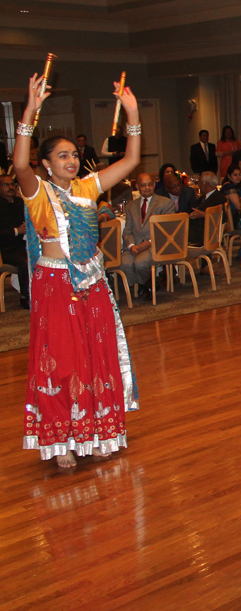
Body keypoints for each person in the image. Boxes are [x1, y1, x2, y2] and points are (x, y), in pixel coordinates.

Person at [13, 73, 141, 469]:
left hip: (93, 284)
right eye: (62, 156)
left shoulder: (87, 189)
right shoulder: (37, 192)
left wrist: (133, 113)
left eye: (73, 154)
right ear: (47, 165)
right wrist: (30, 113)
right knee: (63, 363)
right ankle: (59, 441)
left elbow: (132, 160)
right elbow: (19, 162)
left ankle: (100, 431)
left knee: (96, 357)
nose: (70, 161)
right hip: (56, 283)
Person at [120, 173, 174, 297]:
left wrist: (149, 243)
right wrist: (132, 245)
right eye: (143, 185)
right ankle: (147, 284)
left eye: (150, 184)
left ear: (154, 184)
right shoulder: (130, 206)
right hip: (135, 245)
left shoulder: (165, 203)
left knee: (140, 263)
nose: (147, 188)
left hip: (156, 244)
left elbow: (166, 230)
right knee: (125, 264)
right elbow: (127, 231)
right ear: (137, 186)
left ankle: (145, 286)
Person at [0, 175, 29, 308]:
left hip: (22, 245)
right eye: (6, 185)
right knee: (25, 261)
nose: (11, 187)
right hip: (4, 249)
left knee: (41, 257)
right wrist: (17, 231)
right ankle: (26, 297)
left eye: (12, 184)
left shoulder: (19, 202)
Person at [189, 171, 227, 248]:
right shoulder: (203, 197)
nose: (198, 185)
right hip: (197, 228)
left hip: (207, 232)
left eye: (199, 182)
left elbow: (223, 217)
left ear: (205, 183)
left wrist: (203, 214)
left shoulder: (219, 197)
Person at [221, 164, 241, 228]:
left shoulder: (239, 184)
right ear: (229, 176)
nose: (238, 177)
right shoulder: (228, 186)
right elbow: (238, 206)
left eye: (239, 174)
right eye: (235, 175)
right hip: (233, 218)